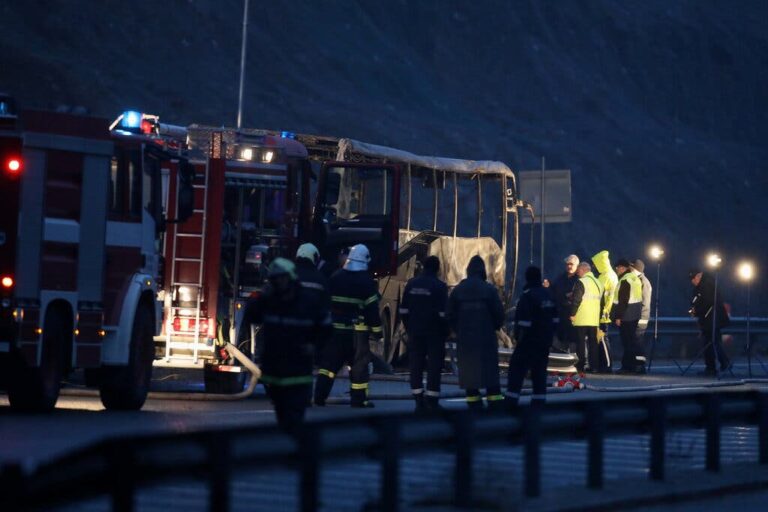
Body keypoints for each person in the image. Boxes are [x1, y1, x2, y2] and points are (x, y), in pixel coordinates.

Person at [239, 258, 332, 434]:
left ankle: (296, 451)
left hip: (298, 372)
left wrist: (314, 346)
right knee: (282, 417)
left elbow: (326, 328)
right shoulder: (269, 301)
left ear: (291, 278)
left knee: (295, 417)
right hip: (275, 373)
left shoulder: (308, 302)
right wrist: (260, 296)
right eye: (275, 279)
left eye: (282, 278)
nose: (279, 283)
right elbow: (251, 317)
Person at [314, 244, 382, 408]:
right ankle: (358, 400)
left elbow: (325, 302)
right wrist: (377, 332)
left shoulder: (336, 277)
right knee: (359, 367)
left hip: (335, 331)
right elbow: (372, 311)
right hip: (357, 335)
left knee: (328, 366)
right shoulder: (366, 282)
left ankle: (319, 397)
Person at [447, 255, 505, 411]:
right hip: (486, 339)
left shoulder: (458, 290)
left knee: (470, 376)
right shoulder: (489, 290)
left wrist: (457, 330)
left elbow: (450, 315)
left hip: (466, 340)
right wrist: (494, 327)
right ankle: (495, 404)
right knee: (490, 375)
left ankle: (474, 405)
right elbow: (499, 314)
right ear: (483, 271)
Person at [399, 255, 449, 412]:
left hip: (415, 331)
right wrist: (445, 332)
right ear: (437, 268)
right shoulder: (440, 286)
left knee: (416, 365)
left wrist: (409, 327)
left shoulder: (412, 284)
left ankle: (418, 400)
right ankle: (432, 401)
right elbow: (444, 314)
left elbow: (403, 310)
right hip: (434, 333)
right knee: (434, 366)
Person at [506, 266, 557, 409]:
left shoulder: (527, 296)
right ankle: (538, 405)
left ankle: (510, 404)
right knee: (539, 374)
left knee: (516, 372)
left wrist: (518, 338)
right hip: (544, 342)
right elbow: (556, 320)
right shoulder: (548, 295)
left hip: (528, 342)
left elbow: (522, 322)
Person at [689, 269, 731, 376]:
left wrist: (696, 311)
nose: (692, 282)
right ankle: (720, 364)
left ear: (698, 276)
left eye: (693, 279)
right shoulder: (706, 284)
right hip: (710, 319)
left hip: (711, 319)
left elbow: (708, 303)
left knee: (710, 342)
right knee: (713, 342)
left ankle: (713, 367)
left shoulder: (706, 286)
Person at [570, 262, 604, 372]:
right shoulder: (598, 283)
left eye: (578, 270)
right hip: (594, 319)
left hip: (582, 317)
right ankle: (594, 366)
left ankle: (580, 366)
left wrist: (572, 314)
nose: (577, 272)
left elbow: (576, 300)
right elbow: (601, 301)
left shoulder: (581, 282)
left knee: (580, 343)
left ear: (584, 270)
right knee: (593, 343)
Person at [612, 259, 644, 373]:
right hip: (634, 314)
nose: (617, 270)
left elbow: (623, 300)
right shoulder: (635, 279)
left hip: (626, 316)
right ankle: (637, 366)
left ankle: (627, 367)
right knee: (632, 341)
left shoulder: (625, 280)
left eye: (618, 267)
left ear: (624, 268)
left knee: (627, 343)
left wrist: (618, 317)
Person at [592, 250, 619, 371]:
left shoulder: (605, 277)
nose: (595, 267)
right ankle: (603, 364)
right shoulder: (611, 274)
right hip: (606, 312)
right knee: (601, 339)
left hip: (602, 313)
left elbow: (598, 294)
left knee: (602, 339)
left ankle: (607, 365)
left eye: (596, 264)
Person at [551, 255, 580, 352]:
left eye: (571, 264)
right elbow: (555, 291)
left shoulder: (579, 279)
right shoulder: (561, 277)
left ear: (577, 265)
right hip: (562, 312)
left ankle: (575, 358)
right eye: (567, 264)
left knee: (573, 338)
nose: (569, 266)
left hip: (574, 314)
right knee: (561, 336)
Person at [631, 259, 653, 350]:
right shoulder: (638, 280)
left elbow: (645, 303)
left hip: (641, 320)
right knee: (635, 343)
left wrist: (640, 321)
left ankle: (639, 363)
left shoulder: (643, 281)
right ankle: (636, 362)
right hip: (637, 319)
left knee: (637, 343)